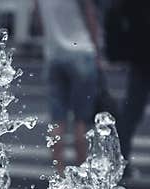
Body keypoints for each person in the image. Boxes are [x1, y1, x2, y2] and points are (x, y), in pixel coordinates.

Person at [36, 0, 103, 174]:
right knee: (81, 120)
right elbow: (90, 16)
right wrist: (97, 52)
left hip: (54, 54)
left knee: (57, 120)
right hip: (81, 52)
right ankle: (81, 172)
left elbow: (40, 21)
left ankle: (59, 172)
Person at [106, 0, 150, 176]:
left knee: (131, 113)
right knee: (131, 113)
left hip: (140, 58)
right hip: (141, 57)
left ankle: (121, 163)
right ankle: (121, 162)